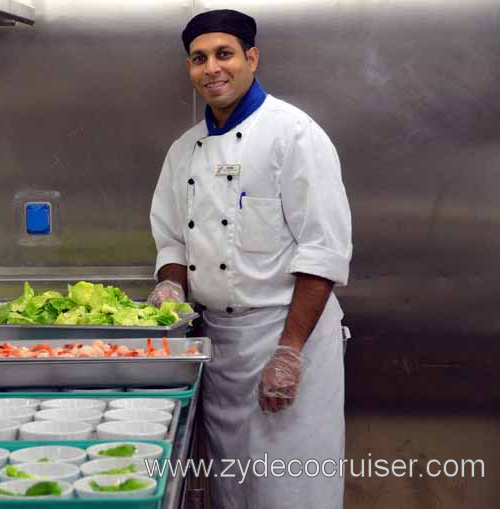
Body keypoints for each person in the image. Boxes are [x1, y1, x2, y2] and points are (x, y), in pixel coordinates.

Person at [148, 9, 352, 509]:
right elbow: (173, 240)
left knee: (292, 490)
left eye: (224, 54)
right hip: (221, 348)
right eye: (199, 59)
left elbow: (322, 252)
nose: (211, 68)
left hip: (289, 338)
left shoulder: (294, 135)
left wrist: (288, 354)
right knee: (233, 491)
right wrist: (171, 283)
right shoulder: (183, 150)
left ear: (251, 58)